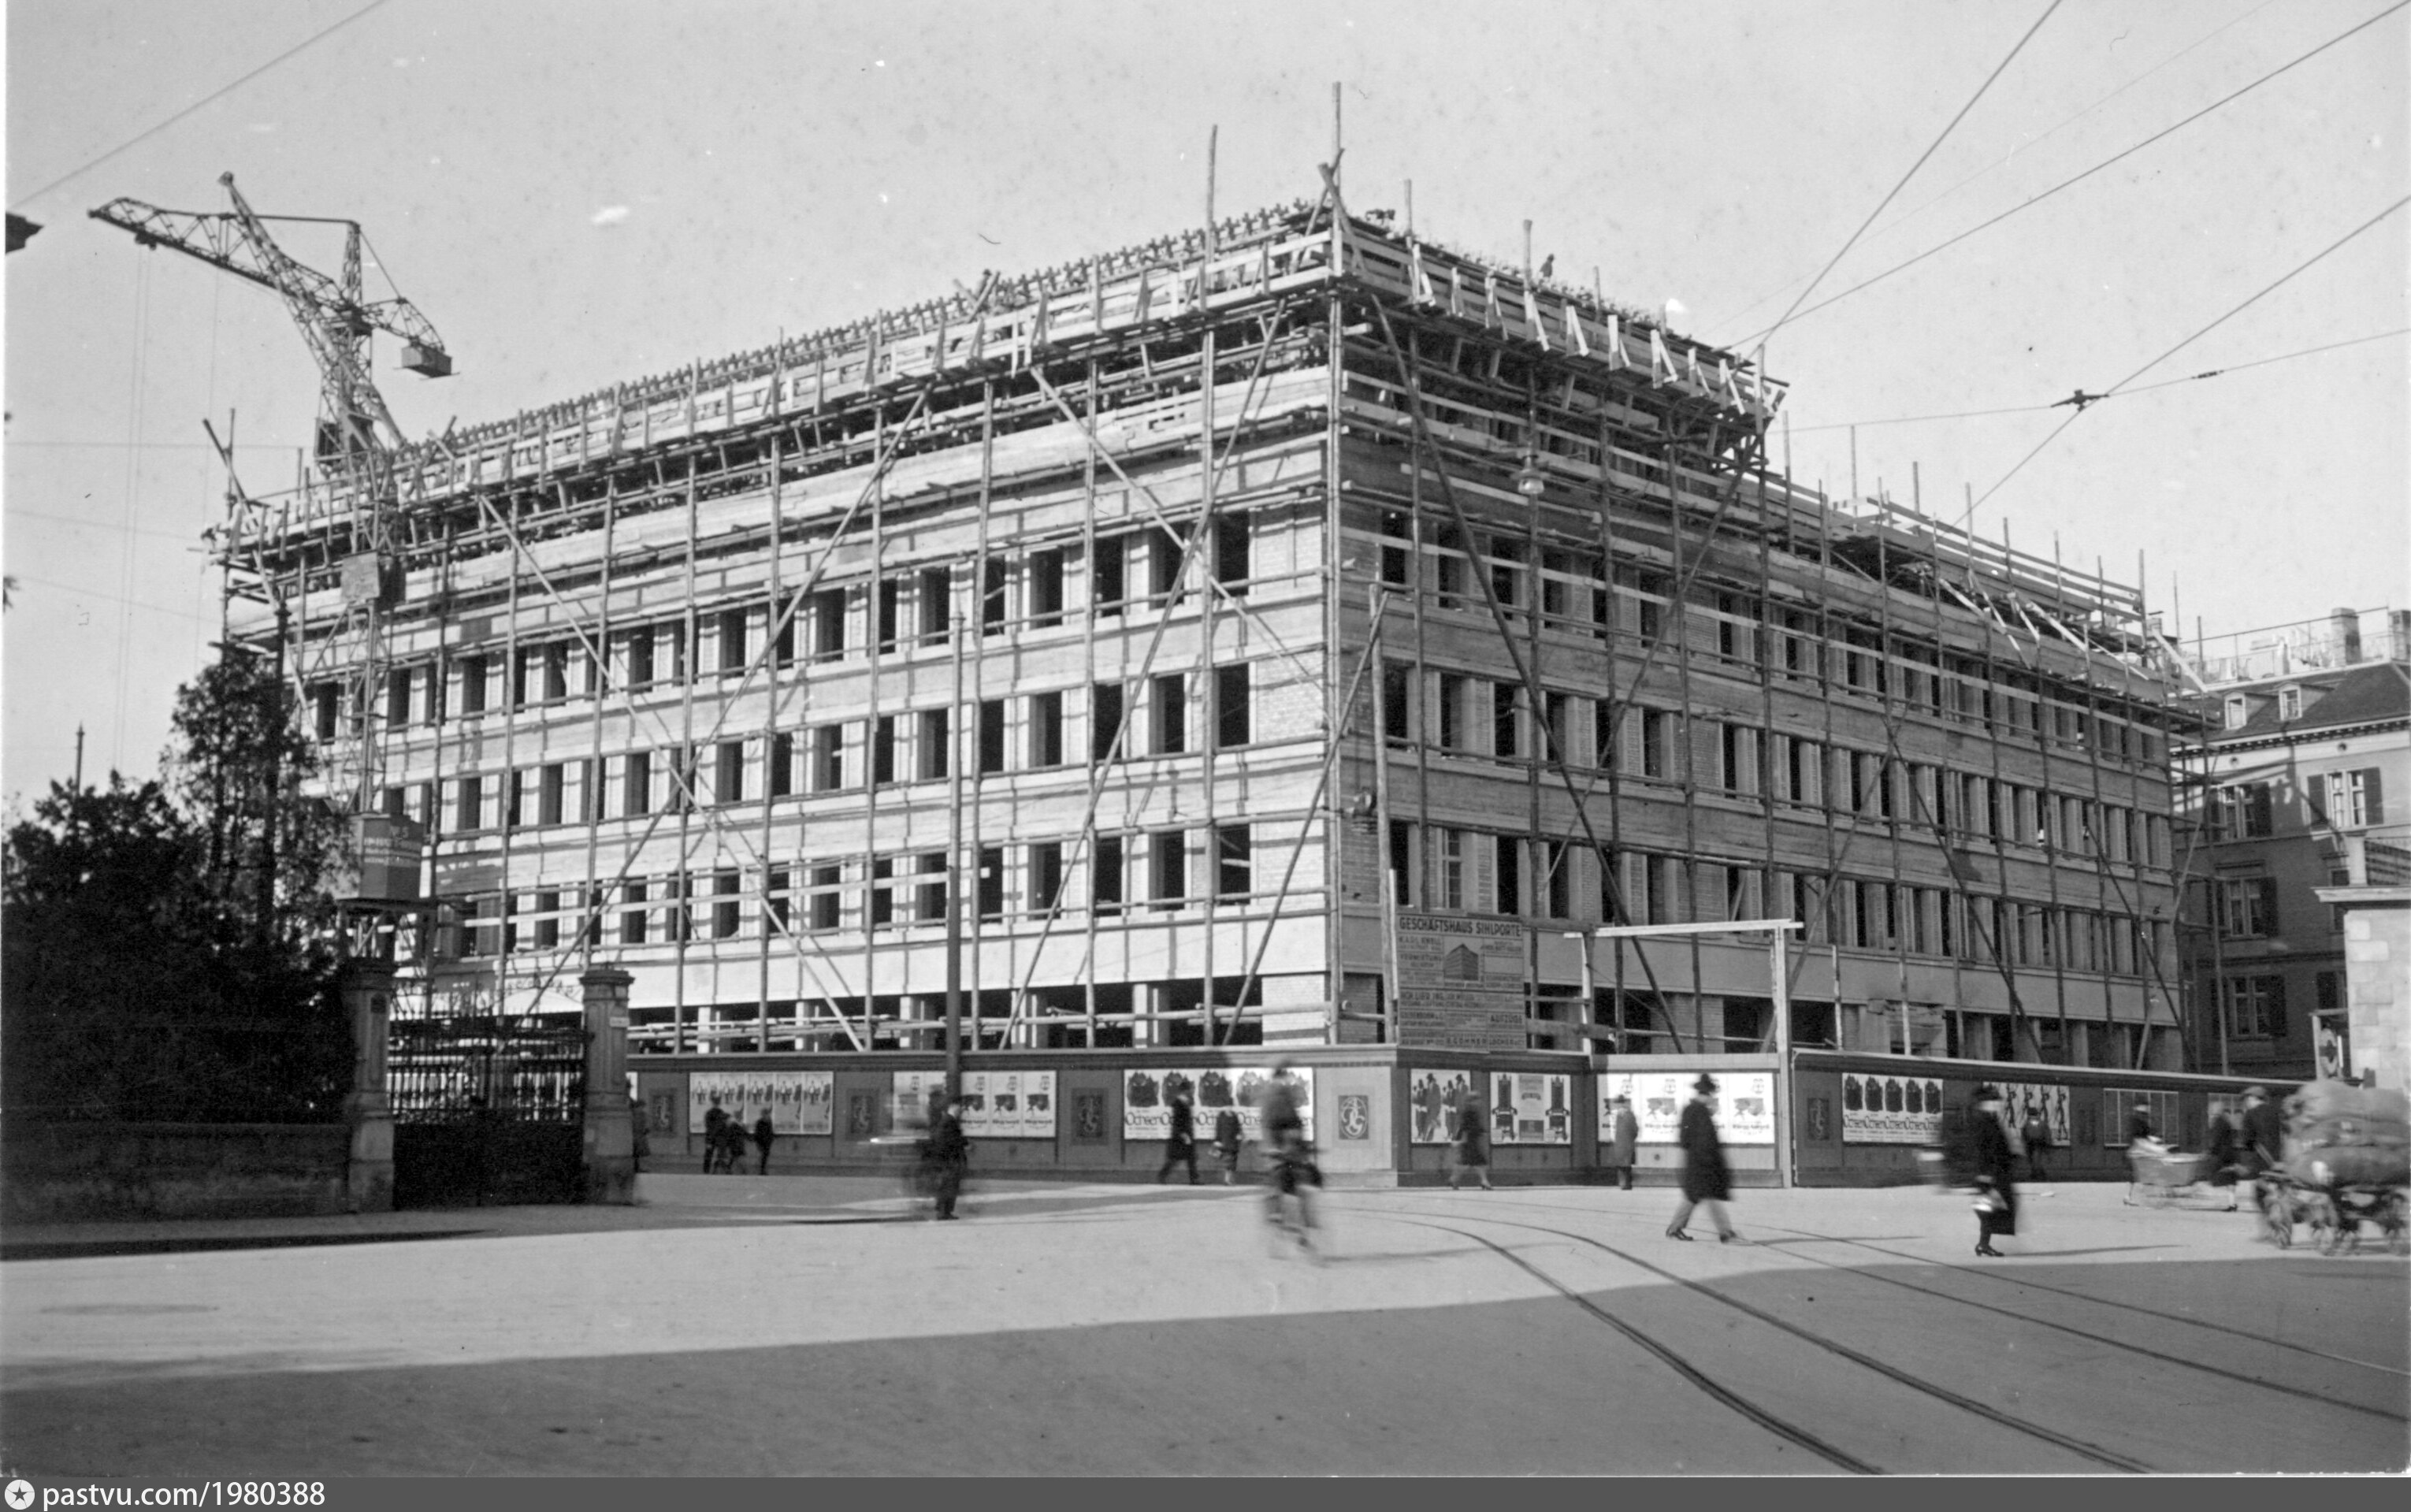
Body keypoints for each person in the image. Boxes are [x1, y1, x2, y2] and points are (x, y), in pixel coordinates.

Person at [1667, 1074, 1737, 1243]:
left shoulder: (1693, 1110)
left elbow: (1684, 1139)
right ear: (1706, 1094)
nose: (1712, 1098)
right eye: (1711, 1094)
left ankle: (1675, 1229)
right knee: (1708, 1196)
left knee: (1694, 1196)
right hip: (1703, 1163)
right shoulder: (1698, 1112)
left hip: (1697, 1162)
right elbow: (1703, 1140)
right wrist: (1709, 1160)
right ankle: (1725, 1232)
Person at [1258, 1063, 1315, 1252]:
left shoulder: (1286, 1097)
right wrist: (1272, 1148)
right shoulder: (1270, 1098)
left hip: (1290, 1150)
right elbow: (1267, 1126)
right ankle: (1277, 1217)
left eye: (1284, 1078)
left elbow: (1297, 1124)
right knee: (1277, 1179)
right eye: (1281, 1078)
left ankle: (1301, 1232)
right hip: (1277, 1150)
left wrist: (1303, 1147)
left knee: (1301, 1184)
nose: (1283, 1082)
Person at [1966, 1087, 2019, 1258]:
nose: (1998, 1105)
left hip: (1995, 1171)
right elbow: (1981, 1149)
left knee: (1992, 1207)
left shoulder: (1990, 1119)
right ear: (1986, 1103)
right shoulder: (1982, 1121)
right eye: (1995, 1102)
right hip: (1988, 1173)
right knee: (1989, 1208)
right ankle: (1983, 1244)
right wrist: (1983, 1173)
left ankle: (1983, 1244)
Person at [927, 1094, 970, 1219]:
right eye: (960, 1106)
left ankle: (944, 1211)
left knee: (948, 1185)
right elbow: (949, 1140)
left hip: (948, 1160)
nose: (962, 1109)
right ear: (953, 1106)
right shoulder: (949, 1121)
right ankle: (944, 1212)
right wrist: (963, 1142)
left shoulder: (948, 1121)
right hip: (950, 1161)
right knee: (949, 1185)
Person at [1450, 1094, 1493, 1191]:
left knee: (1471, 1162)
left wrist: (1482, 1132)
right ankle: (1483, 1181)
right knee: (1473, 1163)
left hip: (1472, 1140)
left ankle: (1455, 1179)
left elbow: (1472, 1126)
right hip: (1469, 1141)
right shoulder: (1468, 1112)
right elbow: (1464, 1127)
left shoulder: (1473, 1112)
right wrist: (1461, 1140)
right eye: (1477, 1100)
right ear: (1472, 1101)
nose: (1479, 1102)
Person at [1157, 1088, 1199, 1185]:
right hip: (1180, 1138)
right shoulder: (1178, 1105)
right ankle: (1162, 1175)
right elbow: (1177, 1123)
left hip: (1186, 1135)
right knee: (1174, 1159)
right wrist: (1184, 1135)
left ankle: (1194, 1179)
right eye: (1187, 1092)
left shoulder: (1185, 1103)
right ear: (1184, 1093)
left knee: (1191, 1158)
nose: (1189, 1094)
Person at [2206, 1102, 2243, 1210]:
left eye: (2211, 1108)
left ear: (2217, 1110)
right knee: (2230, 1178)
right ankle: (2232, 1203)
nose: (2210, 1110)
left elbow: (2216, 1139)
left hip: (2223, 1155)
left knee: (2222, 1175)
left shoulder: (2219, 1121)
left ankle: (2231, 1203)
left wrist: (2211, 1151)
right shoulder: (2226, 1121)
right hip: (2230, 1153)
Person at [1607, 1094, 1640, 1191]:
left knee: (1622, 1164)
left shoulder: (1620, 1115)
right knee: (1626, 1164)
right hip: (1626, 1143)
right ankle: (1626, 1183)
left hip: (1621, 1143)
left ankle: (1624, 1183)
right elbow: (1635, 1130)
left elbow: (1634, 1130)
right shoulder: (1628, 1114)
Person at [2019, 1103, 2053, 1188]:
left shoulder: (2028, 1123)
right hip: (2039, 1143)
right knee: (2036, 1160)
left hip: (2032, 1143)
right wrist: (2048, 1144)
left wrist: (2023, 1143)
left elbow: (2024, 1134)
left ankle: (2037, 1173)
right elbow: (2047, 1134)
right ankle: (2038, 1174)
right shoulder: (2041, 1123)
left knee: (2033, 1160)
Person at [1213, 1106, 1243, 1186]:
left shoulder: (1234, 1116)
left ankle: (1229, 1179)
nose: (1229, 1108)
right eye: (1227, 1106)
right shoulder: (1221, 1116)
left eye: (1230, 1106)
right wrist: (1217, 1140)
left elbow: (1238, 1128)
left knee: (1233, 1161)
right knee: (1228, 1161)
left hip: (1233, 1142)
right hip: (1225, 1142)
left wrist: (1240, 1134)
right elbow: (1218, 1129)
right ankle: (1227, 1180)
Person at [701, 1098, 729, 1174]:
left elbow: (708, 1126)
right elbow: (723, 1126)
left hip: (711, 1138)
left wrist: (710, 1137)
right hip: (719, 1138)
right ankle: (719, 1170)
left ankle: (707, 1171)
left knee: (709, 1155)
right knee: (720, 1154)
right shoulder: (721, 1113)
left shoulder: (709, 1113)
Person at [752, 1109, 776, 1176]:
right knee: (763, 1155)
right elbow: (757, 1133)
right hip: (761, 1141)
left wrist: (771, 1138)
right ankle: (762, 1170)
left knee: (765, 1156)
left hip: (767, 1142)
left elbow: (770, 1132)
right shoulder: (760, 1122)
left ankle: (763, 1169)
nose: (766, 1116)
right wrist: (757, 1141)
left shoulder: (769, 1122)